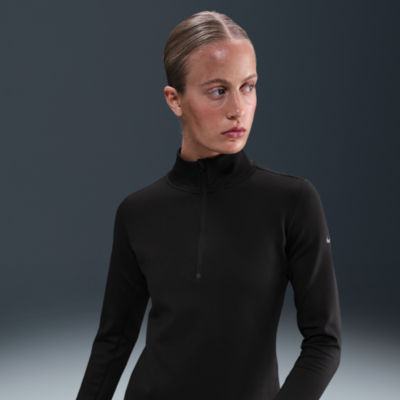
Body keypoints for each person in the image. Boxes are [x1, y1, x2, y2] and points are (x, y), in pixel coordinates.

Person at [76, 10, 342, 400]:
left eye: (248, 87)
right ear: (174, 99)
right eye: (218, 91)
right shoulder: (137, 212)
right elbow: (113, 341)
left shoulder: (292, 201)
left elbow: (324, 342)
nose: (238, 108)